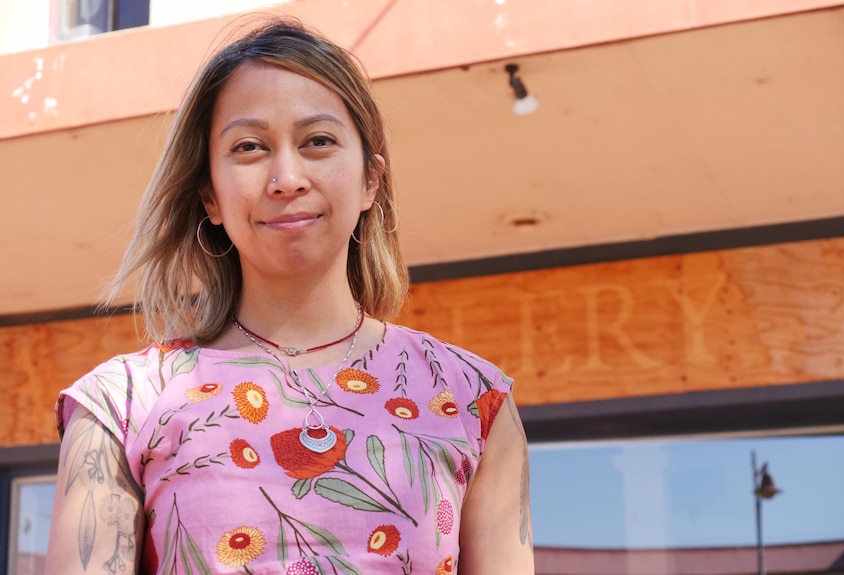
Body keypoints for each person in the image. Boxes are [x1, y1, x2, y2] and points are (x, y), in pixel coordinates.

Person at [45, 17, 533, 575]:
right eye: (249, 147)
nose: (286, 177)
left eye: (318, 141)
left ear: (371, 180)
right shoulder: (120, 408)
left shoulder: (474, 403)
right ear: (209, 196)